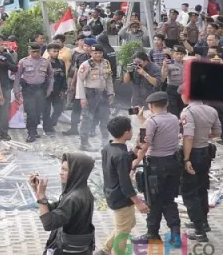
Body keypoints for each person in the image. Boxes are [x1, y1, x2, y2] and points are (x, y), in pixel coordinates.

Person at [133, 92, 181, 245]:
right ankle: (175, 235)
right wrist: (143, 120)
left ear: (151, 106)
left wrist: (135, 163)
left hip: (156, 166)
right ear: (166, 104)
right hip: (173, 164)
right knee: (169, 200)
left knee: (153, 201)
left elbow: (143, 144)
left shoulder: (151, 122)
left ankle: (152, 233)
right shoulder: (174, 118)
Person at [96, 116, 149, 255]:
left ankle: (105, 249)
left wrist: (137, 148)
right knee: (123, 232)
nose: (132, 131)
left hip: (111, 192)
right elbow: (125, 183)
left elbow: (119, 164)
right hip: (121, 197)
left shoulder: (108, 148)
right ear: (126, 133)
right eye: (131, 129)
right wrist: (138, 202)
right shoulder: (121, 155)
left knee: (127, 224)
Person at [178, 85, 221, 242]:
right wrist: (203, 137)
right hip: (205, 153)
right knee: (202, 188)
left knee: (190, 192)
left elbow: (188, 137)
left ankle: (199, 230)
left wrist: (186, 159)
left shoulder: (187, 112)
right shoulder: (211, 110)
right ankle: (204, 221)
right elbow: (217, 133)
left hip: (193, 154)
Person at [31, 153, 95, 255]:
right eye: (61, 169)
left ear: (76, 172)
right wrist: (37, 192)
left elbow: (49, 223)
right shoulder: (79, 190)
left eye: (65, 170)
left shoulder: (75, 197)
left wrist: (42, 196)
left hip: (70, 250)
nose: (61, 173)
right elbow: (53, 209)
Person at [76, 44, 114, 151]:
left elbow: (109, 79)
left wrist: (111, 93)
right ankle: (84, 144)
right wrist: (82, 97)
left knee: (105, 118)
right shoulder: (86, 65)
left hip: (103, 93)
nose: (98, 55)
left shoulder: (106, 63)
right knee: (87, 119)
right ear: (91, 53)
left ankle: (105, 141)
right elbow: (80, 81)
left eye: (100, 53)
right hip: (90, 94)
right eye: (95, 53)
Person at [14, 43, 52, 142]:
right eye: (33, 52)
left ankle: (34, 130)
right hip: (28, 90)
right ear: (29, 51)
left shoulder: (46, 62)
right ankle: (31, 133)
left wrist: (49, 89)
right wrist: (16, 90)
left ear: (40, 51)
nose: (35, 54)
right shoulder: (23, 61)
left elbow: (51, 77)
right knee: (31, 112)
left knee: (38, 112)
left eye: (37, 51)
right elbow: (17, 76)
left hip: (41, 90)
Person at [43, 43, 66, 136]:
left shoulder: (61, 62)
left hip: (57, 90)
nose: (56, 53)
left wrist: (63, 89)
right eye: (54, 51)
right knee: (46, 110)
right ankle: (47, 128)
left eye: (57, 51)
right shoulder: (44, 62)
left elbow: (64, 76)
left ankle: (52, 123)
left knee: (59, 108)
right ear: (48, 52)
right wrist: (52, 73)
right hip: (47, 90)